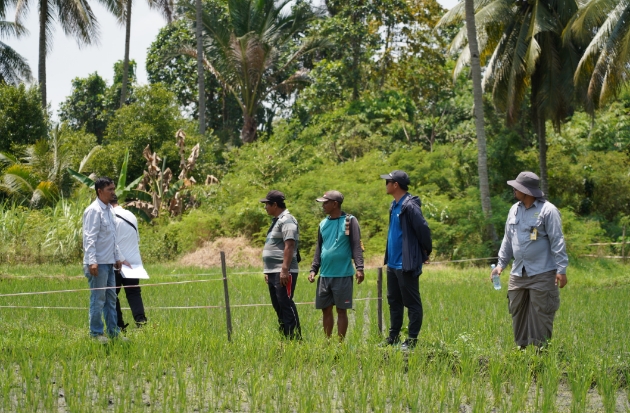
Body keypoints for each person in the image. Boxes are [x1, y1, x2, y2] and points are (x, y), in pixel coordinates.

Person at [492, 171, 568, 348]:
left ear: (526, 191)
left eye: (517, 187)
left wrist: (561, 270)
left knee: (541, 314)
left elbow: (557, 240)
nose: (513, 189)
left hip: (542, 272)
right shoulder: (514, 210)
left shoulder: (548, 210)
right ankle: (521, 350)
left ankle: (540, 355)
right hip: (518, 272)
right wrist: (500, 265)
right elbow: (507, 239)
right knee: (517, 311)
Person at [381, 170, 432, 350]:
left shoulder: (409, 206)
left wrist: (426, 251)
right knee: (393, 301)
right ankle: (393, 336)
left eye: (388, 181)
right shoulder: (394, 206)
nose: (385, 184)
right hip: (393, 263)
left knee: (411, 302)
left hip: (406, 263)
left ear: (396, 185)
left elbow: (423, 229)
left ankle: (411, 340)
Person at [308, 191, 365, 341]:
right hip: (325, 274)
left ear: (335, 204)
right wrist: (314, 269)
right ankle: (327, 342)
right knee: (326, 309)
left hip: (343, 274)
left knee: (341, 310)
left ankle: (340, 343)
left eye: (326, 203)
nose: (323, 206)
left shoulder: (350, 221)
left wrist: (359, 268)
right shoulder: (322, 224)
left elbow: (356, 245)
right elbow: (319, 248)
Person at [82, 177, 126, 344]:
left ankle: (114, 333)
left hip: (109, 263)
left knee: (111, 299)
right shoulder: (94, 210)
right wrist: (92, 261)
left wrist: (117, 257)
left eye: (114, 189)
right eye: (110, 189)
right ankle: (96, 334)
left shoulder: (109, 210)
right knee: (98, 299)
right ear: (100, 191)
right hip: (97, 264)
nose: (113, 192)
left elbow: (112, 237)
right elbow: (90, 238)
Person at [260, 190, 302, 339]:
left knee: (285, 303)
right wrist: (268, 271)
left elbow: (289, 245)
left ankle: (295, 338)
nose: (265, 207)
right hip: (273, 271)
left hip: (283, 271)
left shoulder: (287, 220)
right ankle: (285, 336)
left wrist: (284, 269)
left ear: (275, 204)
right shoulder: (277, 220)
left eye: (266, 204)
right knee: (278, 305)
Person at [111, 195, 148, 331]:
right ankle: (141, 323)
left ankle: (120, 326)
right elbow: (136, 239)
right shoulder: (131, 215)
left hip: (116, 263)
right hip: (133, 263)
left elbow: (110, 241)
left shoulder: (109, 216)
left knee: (112, 295)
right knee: (134, 293)